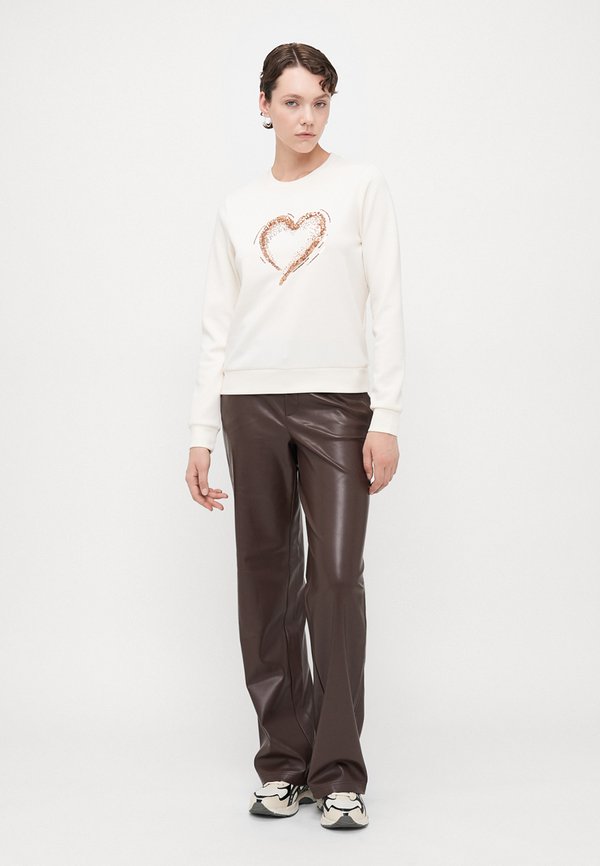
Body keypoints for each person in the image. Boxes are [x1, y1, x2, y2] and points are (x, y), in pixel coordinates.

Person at [185, 42, 405, 831]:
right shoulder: (237, 208)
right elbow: (217, 326)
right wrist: (201, 431)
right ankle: (283, 762)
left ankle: (339, 771)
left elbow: (387, 304)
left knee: (336, 579)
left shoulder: (361, 186)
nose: (307, 117)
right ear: (264, 105)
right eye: (292, 102)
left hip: (338, 406)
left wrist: (386, 416)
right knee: (266, 581)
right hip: (249, 403)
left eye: (319, 102)